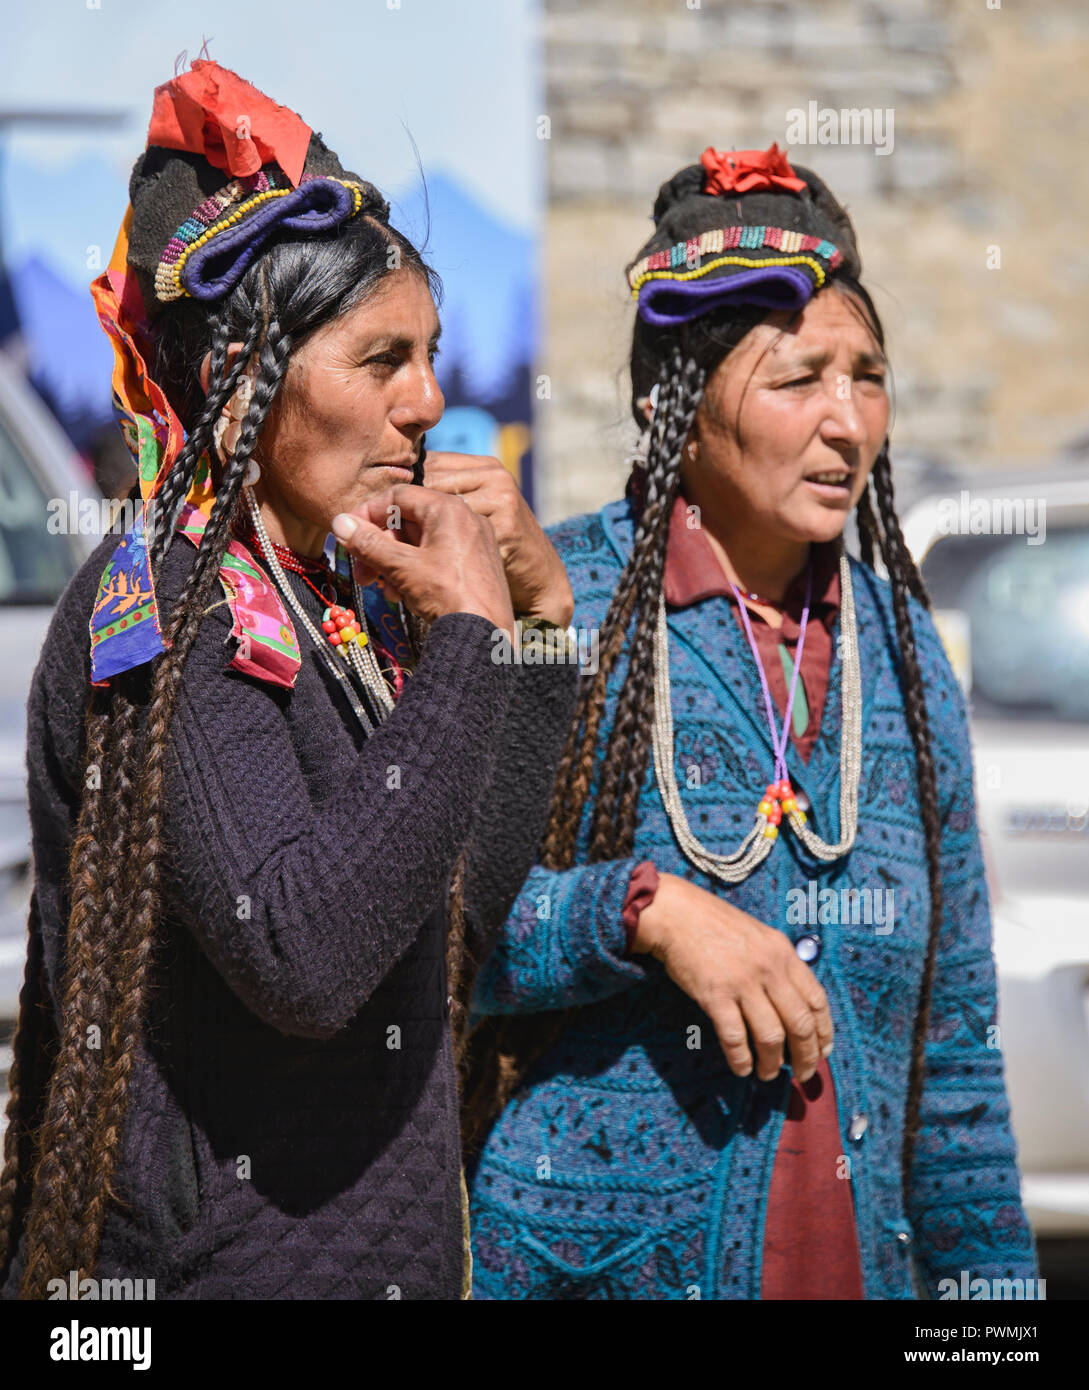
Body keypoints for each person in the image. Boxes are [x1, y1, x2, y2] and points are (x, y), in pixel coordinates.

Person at [0, 58, 576, 1301]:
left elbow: (458, 916)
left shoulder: (338, 603)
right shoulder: (167, 603)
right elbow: (304, 958)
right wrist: (467, 647)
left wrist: (536, 627)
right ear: (240, 379)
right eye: (380, 360)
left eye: (430, 354)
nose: (429, 402)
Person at [462, 144, 1038, 1300]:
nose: (847, 421)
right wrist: (644, 912)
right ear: (671, 402)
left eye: (867, 376)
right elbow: (443, 934)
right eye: (798, 380)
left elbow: (956, 1053)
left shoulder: (905, 656)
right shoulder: (554, 602)